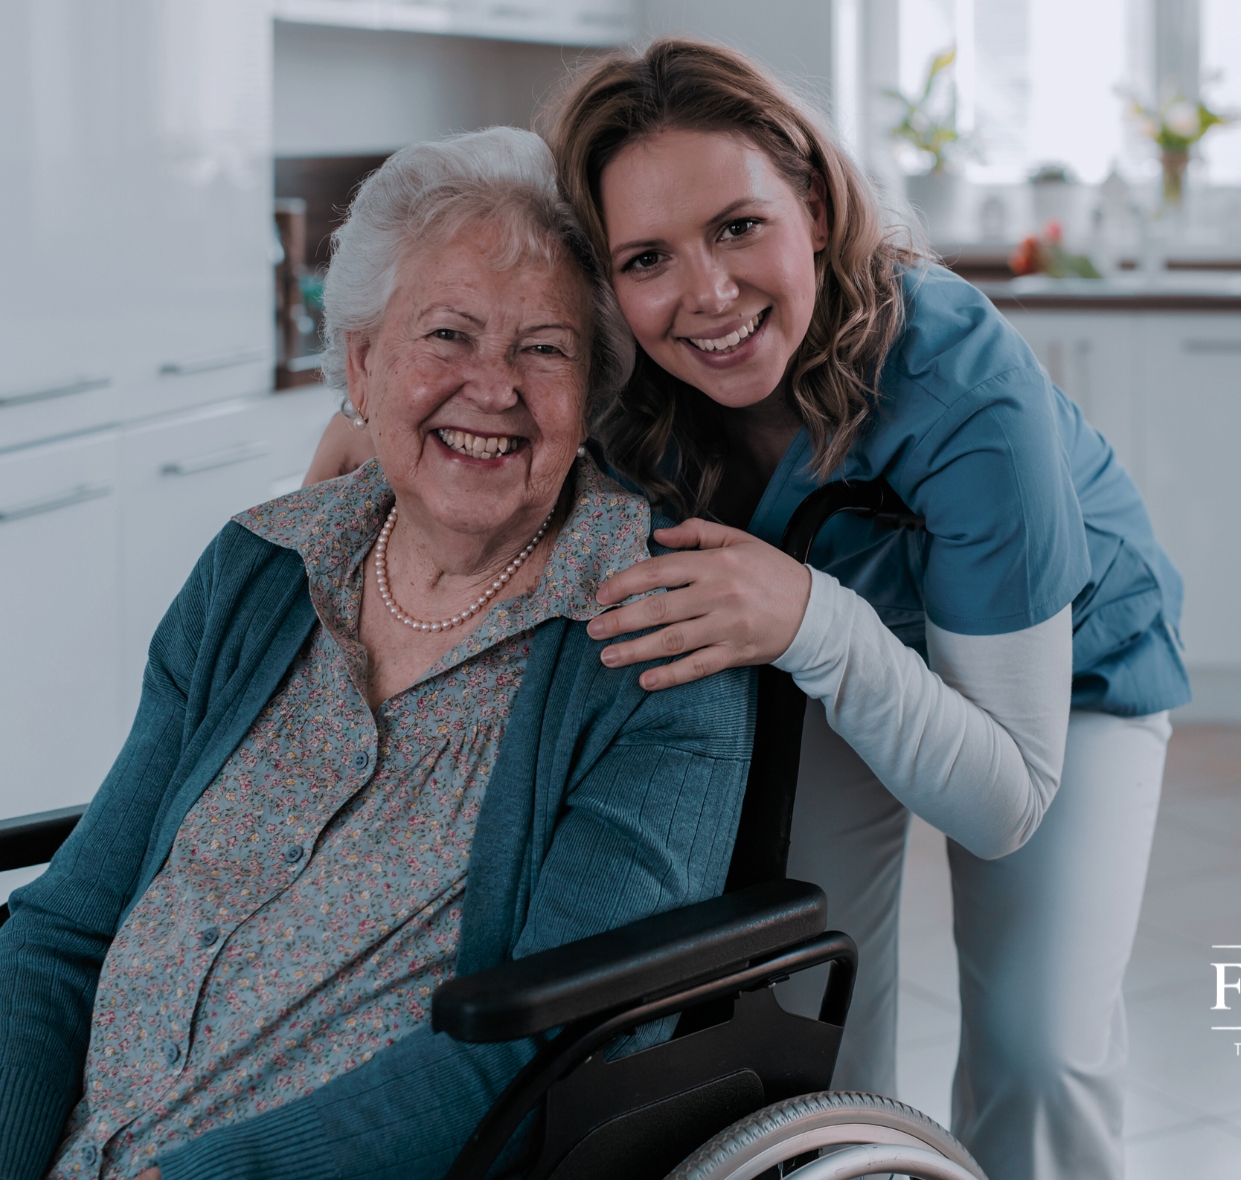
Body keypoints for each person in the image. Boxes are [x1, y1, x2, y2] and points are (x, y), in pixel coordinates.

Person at [308, 40, 1187, 1180]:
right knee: (807, 1009)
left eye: (737, 227)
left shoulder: (962, 388)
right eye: (646, 257)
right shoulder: (620, 378)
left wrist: (814, 621)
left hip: (1057, 681)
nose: (708, 296)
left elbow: (1000, 802)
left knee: (1038, 1049)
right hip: (806, 646)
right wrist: (369, 416)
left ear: (813, 206)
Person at [0, 126, 754, 1180]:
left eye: (543, 348)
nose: (493, 386)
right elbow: (67, 927)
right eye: (447, 335)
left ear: (592, 390)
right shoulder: (258, 569)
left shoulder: (652, 634)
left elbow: (554, 1041)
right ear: (363, 363)